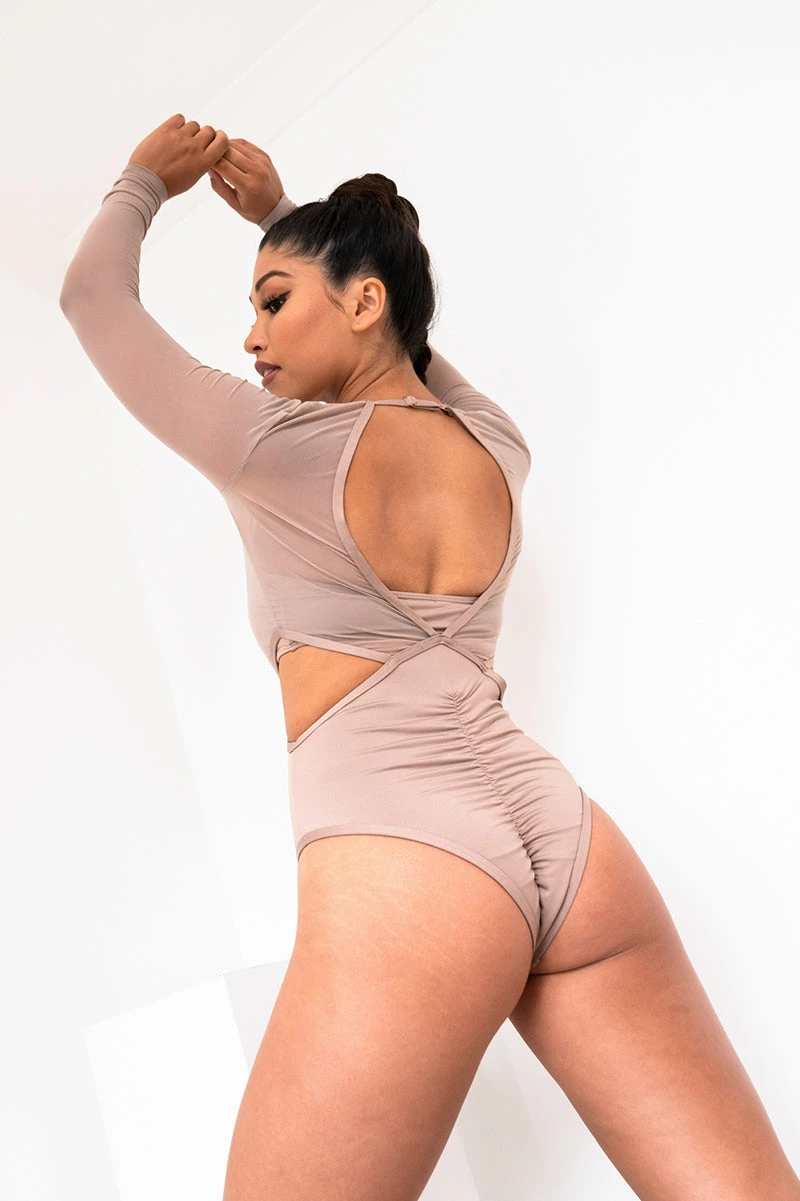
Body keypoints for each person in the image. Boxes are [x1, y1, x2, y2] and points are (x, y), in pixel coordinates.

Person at [60, 115, 799, 1201]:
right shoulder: (495, 443)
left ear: (364, 302)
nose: (251, 337)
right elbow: (409, 358)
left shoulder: (269, 449)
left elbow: (92, 299)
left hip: (413, 853)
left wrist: (141, 181)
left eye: (273, 301)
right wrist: (289, 220)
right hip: (568, 843)